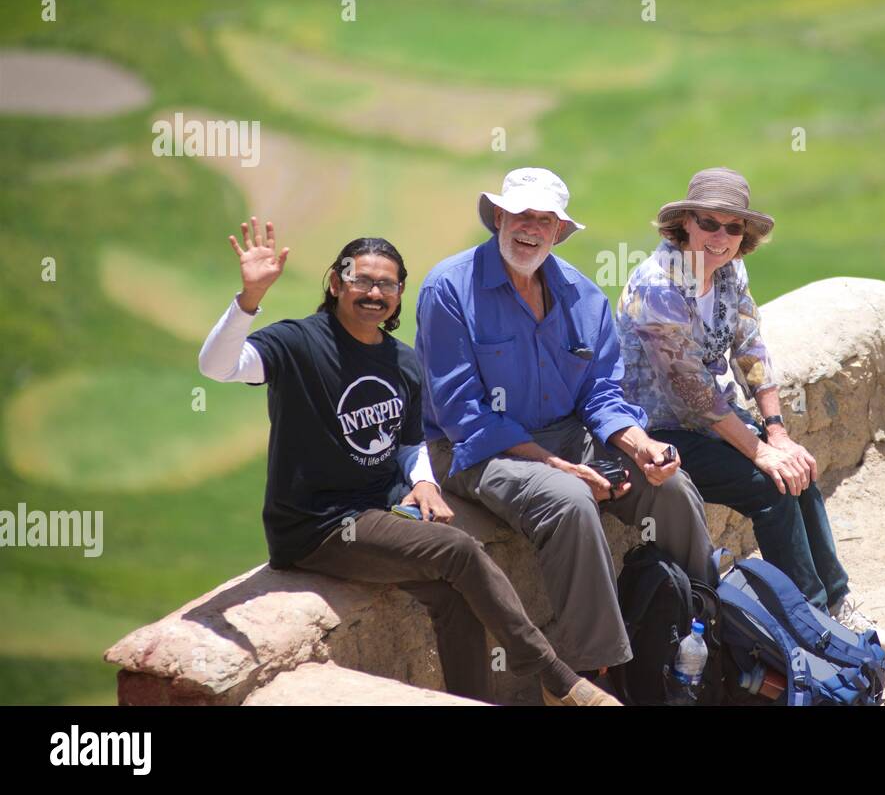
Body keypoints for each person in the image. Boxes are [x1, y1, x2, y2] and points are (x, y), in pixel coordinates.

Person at [198, 217, 617, 705]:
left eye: (387, 284)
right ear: (335, 284)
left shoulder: (401, 361)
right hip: (319, 525)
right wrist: (249, 298)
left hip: (380, 510)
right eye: (361, 280)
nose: (374, 293)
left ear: (399, 294)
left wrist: (425, 484)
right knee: (457, 551)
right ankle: (556, 678)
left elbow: (410, 442)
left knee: (454, 596)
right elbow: (218, 366)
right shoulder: (299, 343)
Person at [415, 168, 715, 678]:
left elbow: (602, 394)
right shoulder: (448, 289)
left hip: (564, 438)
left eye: (544, 219)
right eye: (521, 215)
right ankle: (590, 677)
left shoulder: (584, 297)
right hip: (478, 450)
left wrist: (641, 444)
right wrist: (557, 466)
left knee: (672, 487)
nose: (530, 228)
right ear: (499, 217)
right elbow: (462, 413)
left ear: (558, 231)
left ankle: (703, 635)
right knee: (570, 501)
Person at [615, 167, 885, 654]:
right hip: (657, 430)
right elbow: (691, 391)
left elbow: (751, 349)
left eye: (732, 227)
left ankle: (836, 602)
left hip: (711, 421)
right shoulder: (657, 286)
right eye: (709, 223)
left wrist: (777, 433)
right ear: (685, 224)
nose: (719, 237)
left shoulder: (729, 272)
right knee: (770, 486)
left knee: (798, 470)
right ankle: (809, 622)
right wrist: (761, 453)